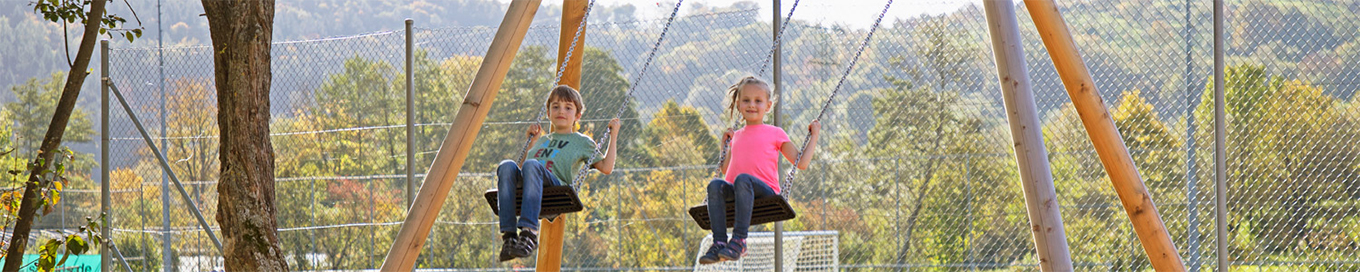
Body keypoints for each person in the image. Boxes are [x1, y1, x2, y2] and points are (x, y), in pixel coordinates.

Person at [698, 76, 819, 264]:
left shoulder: (775, 133)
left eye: (758, 101)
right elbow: (725, 169)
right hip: (738, 190)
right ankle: (720, 243)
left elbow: (800, 163)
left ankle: (738, 241)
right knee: (715, 185)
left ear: (768, 106)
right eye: (746, 100)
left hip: (765, 192)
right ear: (738, 105)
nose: (751, 105)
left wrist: (814, 136)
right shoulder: (736, 135)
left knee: (743, 179)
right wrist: (725, 146)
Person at [497, 85, 620, 262]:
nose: (561, 111)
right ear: (548, 113)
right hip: (531, 183)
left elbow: (606, 167)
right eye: (555, 107)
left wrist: (613, 135)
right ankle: (509, 236)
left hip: (557, 188)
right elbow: (521, 170)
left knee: (532, 166)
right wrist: (530, 144)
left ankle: (529, 232)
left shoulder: (582, 141)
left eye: (568, 107)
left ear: (577, 116)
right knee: (506, 166)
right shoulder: (543, 140)